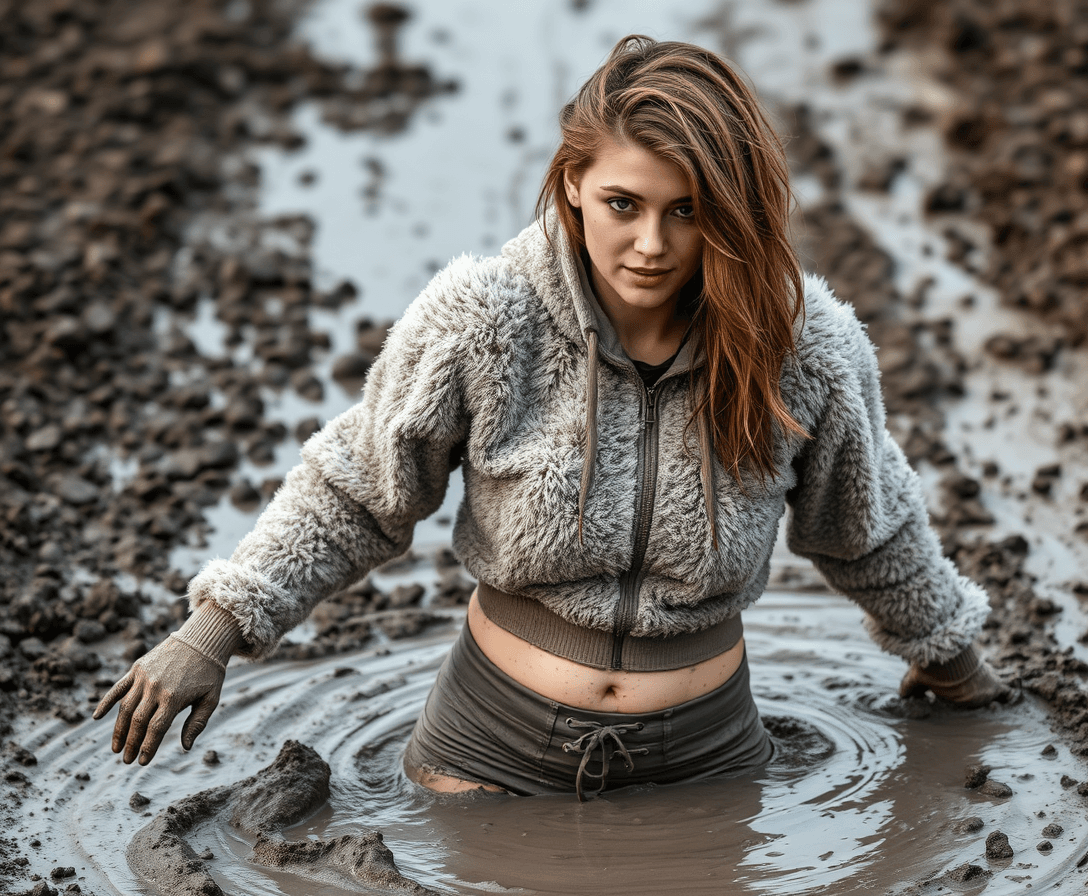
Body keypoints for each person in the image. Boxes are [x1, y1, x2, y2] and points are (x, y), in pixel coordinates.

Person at [95, 35, 1010, 800]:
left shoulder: (802, 347)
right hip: (487, 751)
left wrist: (955, 667)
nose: (652, 245)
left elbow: (869, 529)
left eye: (688, 213)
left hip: (708, 761)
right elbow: (355, 494)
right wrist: (210, 635)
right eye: (624, 204)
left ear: (731, 213)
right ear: (573, 183)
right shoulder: (481, 320)